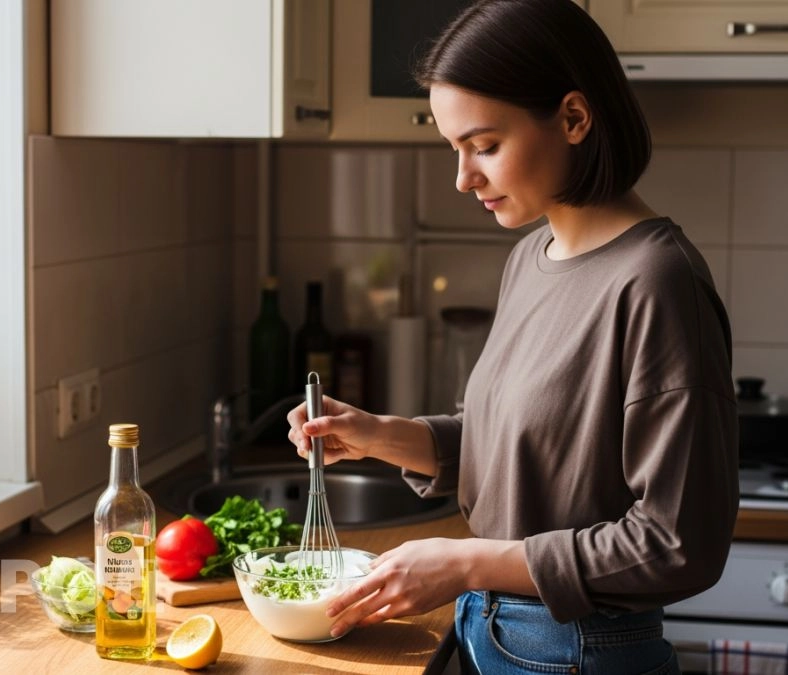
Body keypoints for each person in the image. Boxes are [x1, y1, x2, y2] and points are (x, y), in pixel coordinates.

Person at [286, 1, 738, 673]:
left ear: (575, 119)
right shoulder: (530, 258)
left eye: (485, 146)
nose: (464, 178)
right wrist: (381, 434)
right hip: (491, 631)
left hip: (580, 649)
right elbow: (511, 443)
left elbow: (677, 542)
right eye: (455, 149)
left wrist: (468, 560)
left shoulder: (657, 281)